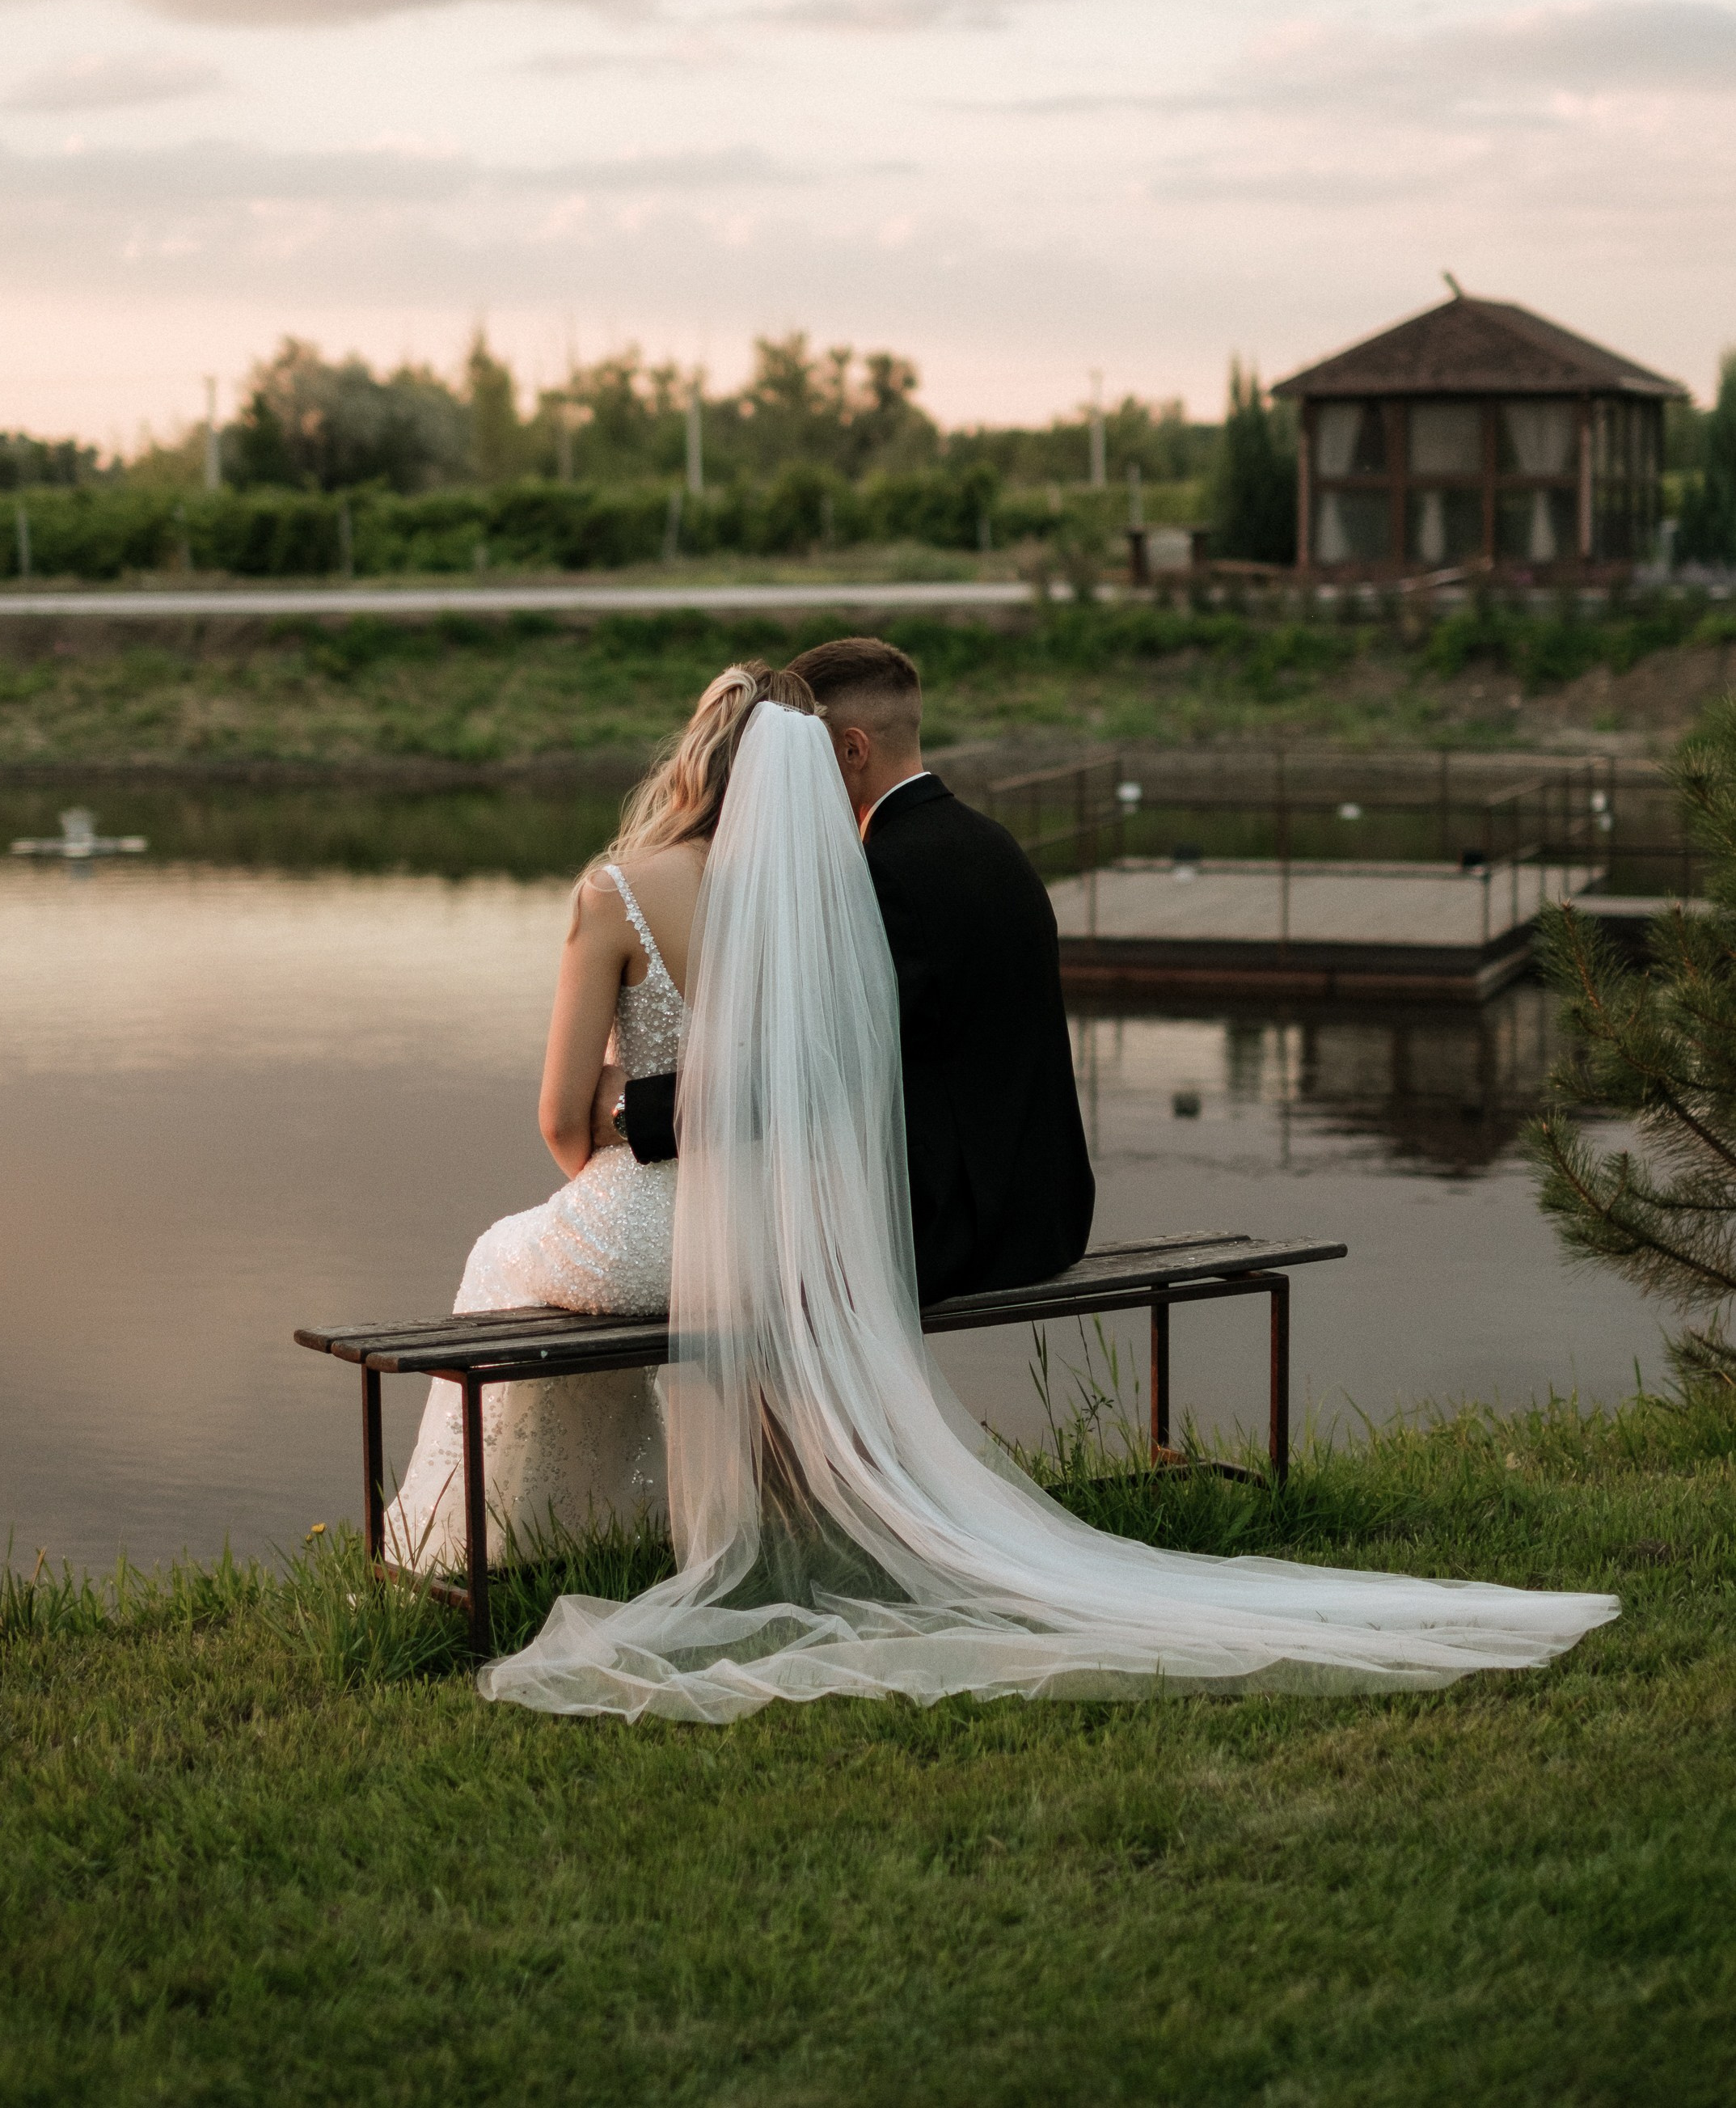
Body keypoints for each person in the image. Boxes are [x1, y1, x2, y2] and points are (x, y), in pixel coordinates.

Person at [477, 691, 1618, 1719]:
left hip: (762, 1223)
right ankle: (591, 1531)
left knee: (496, 1259)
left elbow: (592, 1122)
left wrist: (640, 1132)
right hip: (837, 1218)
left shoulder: (650, 891)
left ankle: (501, 1546)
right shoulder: (857, 887)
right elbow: (818, 1087)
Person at [386, 661, 784, 1574]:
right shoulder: (824, 900)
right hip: (778, 1231)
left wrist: (618, 1106)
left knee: (497, 1254)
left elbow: (562, 1122)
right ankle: (620, 1529)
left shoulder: (620, 891)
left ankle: (478, 1554)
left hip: (651, 1240)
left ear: (697, 750)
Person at [608, 636, 1093, 1304]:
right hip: (1048, 1219)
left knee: (727, 1260)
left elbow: (816, 1064)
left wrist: (633, 1112)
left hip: (950, 1237)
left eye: (803, 760)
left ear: (851, 750)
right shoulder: (991, 843)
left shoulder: (881, 876)